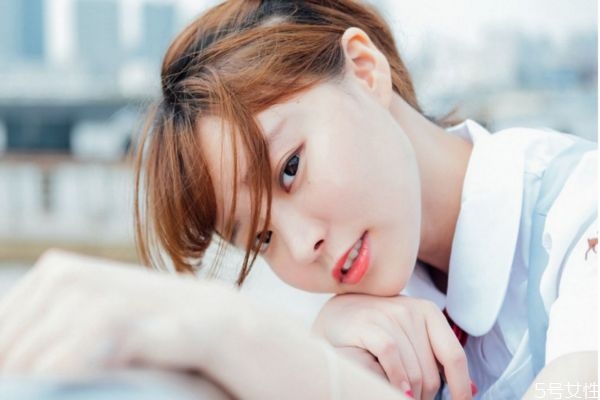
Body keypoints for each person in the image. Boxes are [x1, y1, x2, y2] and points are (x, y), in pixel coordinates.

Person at [0, 1, 596, 399]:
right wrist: (330, 351)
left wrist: (236, 332)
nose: (303, 244)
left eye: (290, 168)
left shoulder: (580, 214)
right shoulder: (371, 315)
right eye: (261, 238)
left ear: (364, 70)